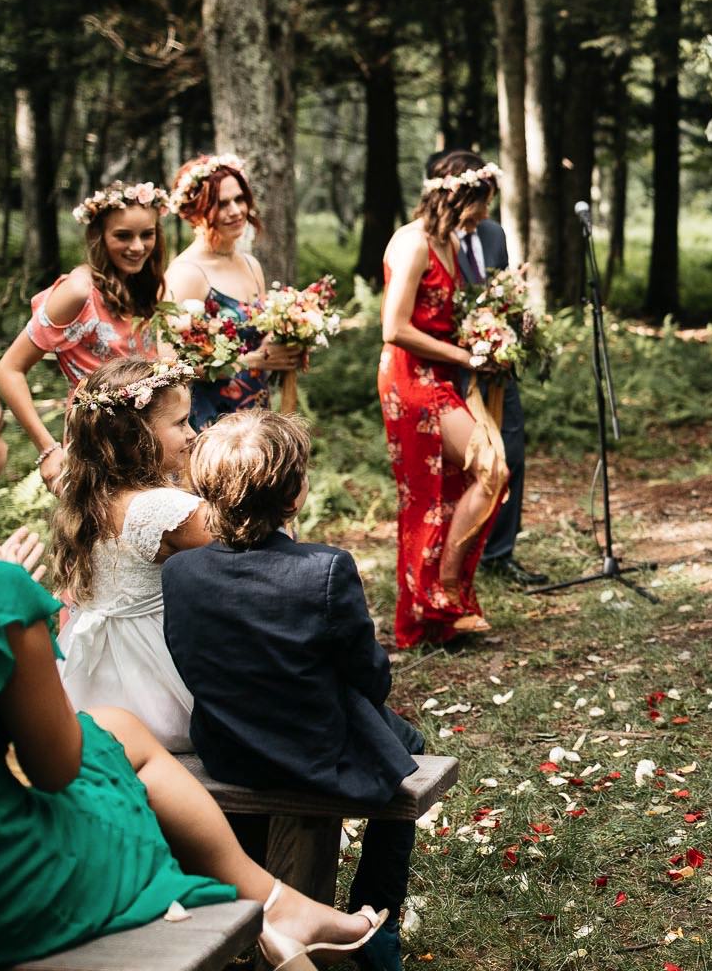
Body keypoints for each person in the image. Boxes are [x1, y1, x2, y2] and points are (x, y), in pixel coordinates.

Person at [0, 349, 383, 968]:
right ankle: (267, 902)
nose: (13, 447)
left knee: (120, 725)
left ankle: (276, 906)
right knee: (127, 749)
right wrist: (5, 615)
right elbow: (53, 769)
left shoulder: (80, 502)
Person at [165, 410, 422, 971]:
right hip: (313, 751)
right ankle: (378, 916)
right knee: (410, 746)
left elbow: (189, 659)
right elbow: (372, 679)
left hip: (227, 749)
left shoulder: (180, 572)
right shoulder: (326, 568)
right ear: (294, 495)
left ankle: (255, 899)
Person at [379, 152, 510, 648]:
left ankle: (443, 609)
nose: (483, 215)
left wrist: (495, 339)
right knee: (477, 473)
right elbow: (394, 328)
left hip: (444, 374)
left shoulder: (450, 242)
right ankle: (442, 593)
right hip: (410, 379)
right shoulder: (412, 243)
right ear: (455, 197)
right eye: (480, 203)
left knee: (463, 484)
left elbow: (451, 315)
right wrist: (465, 355)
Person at [50, 356, 212, 752]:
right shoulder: (166, 511)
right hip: (154, 684)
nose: (192, 434)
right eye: (180, 423)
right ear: (134, 437)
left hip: (90, 682)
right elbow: (252, 540)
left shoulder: (90, 497)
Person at [0, 180, 168, 490]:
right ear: (99, 236)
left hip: (149, 442)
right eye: (123, 236)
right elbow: (8, 370)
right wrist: (48, 450)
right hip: (97, 447)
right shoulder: (79, 292)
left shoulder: (142, 286)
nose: (138, 246)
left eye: (147, 234)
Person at [429, 149, 544, 586]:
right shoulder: (434, 239)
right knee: (470, 462)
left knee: (511, 452)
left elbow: (498, 291)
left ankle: (499, 552)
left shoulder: (494, 234)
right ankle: (459, 556)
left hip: (498, 365)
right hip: (453, 366)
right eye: (481, 201)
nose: (486, 213)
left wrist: (514, 307)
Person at [163, 153, 306, 430]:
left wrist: (287, 339)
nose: (236, 211)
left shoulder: (251, 265)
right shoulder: (186, 273)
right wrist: (251, 361)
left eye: (239, 199)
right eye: (221, 204)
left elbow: (259, 335)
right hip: (212, 422)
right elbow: (169, 366)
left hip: (256, 415)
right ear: (195, 211)